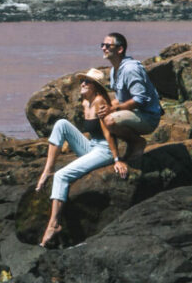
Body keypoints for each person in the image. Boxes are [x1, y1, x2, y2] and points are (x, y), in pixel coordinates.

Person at [34, 68, 121, 248]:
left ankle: (54, 224)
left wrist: (116, 159)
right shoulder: (85, 103)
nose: (82, 84)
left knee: (61, 176)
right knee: (61, 124)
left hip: (104, 149)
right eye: (82, 81)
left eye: (86, 82)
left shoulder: (99, 102)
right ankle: (47, 169)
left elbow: (108, 134)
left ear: (95, 87)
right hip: (91, 146)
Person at [97, 32, 162, 177]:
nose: (103, 48)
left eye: (108, 46)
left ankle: (137, 142)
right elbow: (121, 98)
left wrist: (113, 109)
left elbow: (139, 99)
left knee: (110, 120)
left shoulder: (130, 69)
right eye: (103, 45)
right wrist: (107, 107)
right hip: (135, 113)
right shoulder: (115, 69)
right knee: (102, 113)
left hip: (148, 117)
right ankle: (112, 153)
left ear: (120, 49)